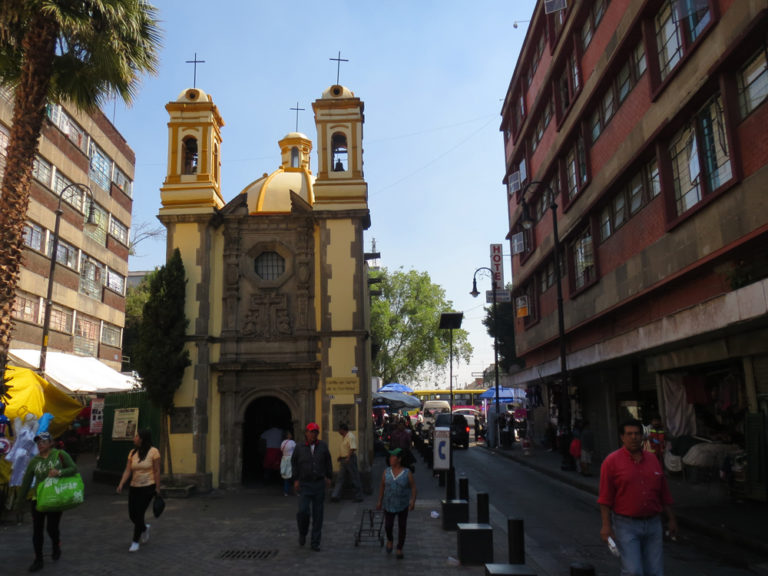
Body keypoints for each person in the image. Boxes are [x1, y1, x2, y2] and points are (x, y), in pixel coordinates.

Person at [598, 419, 678, 576]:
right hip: (626, 525)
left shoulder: (653, 459)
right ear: (622, 437)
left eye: (637, 434)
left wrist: (671, 519)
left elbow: (663, 493)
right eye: (629, 434)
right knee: (633, 571)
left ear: (642, 436)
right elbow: (605, 498)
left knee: (655, 571)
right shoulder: (611, 461)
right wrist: (606, 526)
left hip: (654, 523)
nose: (633, 437)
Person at [18, 431, 78, 572]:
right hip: (38, 500)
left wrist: (59, 472)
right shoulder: (34, 461)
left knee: (52, 528)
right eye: (38, 443)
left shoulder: (60, 455)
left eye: (43, 442)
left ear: (51, 443)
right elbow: (26, 482)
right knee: (37, 530)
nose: (40, 445)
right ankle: (38, 559)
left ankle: (56, 544)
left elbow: (74, 469)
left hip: (55, 499)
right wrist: (19, 503)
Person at [117, 428, 161, 553]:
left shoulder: (154, 452)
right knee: (132, 515)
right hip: (134, 487)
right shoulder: (132, 453)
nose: (134, 438)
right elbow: (128, 470)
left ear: (142, 439)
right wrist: (121, 483)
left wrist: (157, 488)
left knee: (140, 513)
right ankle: (144, 528)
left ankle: (135, 542)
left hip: (148, 486)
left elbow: (157, 471)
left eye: (136, 436)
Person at [291, 422, 333, 551]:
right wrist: (296, 479)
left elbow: (328, 462)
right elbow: (294, 464)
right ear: (306, 433)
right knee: (303, 511)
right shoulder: (299, 447)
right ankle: (303, 533)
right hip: (305, 483)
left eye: (315, 432)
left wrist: (329, 477)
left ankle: (315, 542)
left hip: (319, 483)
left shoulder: (323, 447)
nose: (313, 434)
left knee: (318, 514)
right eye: (311, 431)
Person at [376, 448, 416, 560]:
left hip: (402, 504)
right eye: (390, 457)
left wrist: (412, 501)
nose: (390, 459)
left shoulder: (407, 473)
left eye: (393, 457)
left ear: (399, 459)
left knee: (402, 526)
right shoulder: (386, 472)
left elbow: (413, 487)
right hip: (388, 504)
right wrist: (379, 500)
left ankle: (399, 548)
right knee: (388, 525)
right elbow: (382, 486)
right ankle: (390, 539)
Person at [331, 422, 364, 502]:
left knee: (354, 477)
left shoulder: (350, 436)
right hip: (344, 459)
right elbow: (345, 448)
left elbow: (352, 448)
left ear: (342, 430)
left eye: (339, 430)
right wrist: (341, 456)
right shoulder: (345, 437)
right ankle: (335, 495)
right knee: (340, 477)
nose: (338, 431)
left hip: (349, 459)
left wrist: (348, 457)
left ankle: (359, 496)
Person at [280, 430, 296, 496]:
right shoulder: (292, 442)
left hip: (284, 459)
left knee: (286, 476)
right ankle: (295, 491)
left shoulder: (283, 443)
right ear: (287, 436)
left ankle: (286, 491)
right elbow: (296, 449)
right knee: (293, 476)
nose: (291, 435)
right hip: (290, 459)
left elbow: (281, 449)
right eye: (289, 434)